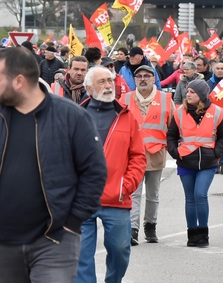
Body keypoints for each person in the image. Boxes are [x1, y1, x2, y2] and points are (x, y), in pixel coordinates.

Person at [0, 47, 107, 283]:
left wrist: (72, 222)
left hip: (55, 240)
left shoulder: (71, 117)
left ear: (18, 81)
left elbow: (95, 171)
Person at [77, 66, 146, 283]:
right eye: (102, 82)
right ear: (89, 88)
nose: (108, 86)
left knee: (120, 251)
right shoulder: (75, 116)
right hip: (81, 200)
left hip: (116, 198)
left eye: (110, 81)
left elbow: (138, 157)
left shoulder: (127, 117)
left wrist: (125, 186)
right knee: (80, 257)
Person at [167, 80, 223, 247]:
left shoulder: (216, 111)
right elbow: (171, 135)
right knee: (190, 198)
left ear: (202, 95)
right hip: (185, 159)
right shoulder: (180, 111)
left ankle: (203, 233)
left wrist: (216, 153)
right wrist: (175, 153)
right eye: (187, 91)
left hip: (208, 161)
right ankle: (192, 233)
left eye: (192, 92)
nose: (188, 94)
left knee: (200, 195)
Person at [123, 65, 175, 245]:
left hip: (155, 154)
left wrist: (173, 150)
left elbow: (173, 128)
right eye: (139, 76)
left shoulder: (166, 99)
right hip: (132, 157)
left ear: (154, 79)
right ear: (135, 79)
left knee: (153, 194)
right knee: (133, 194)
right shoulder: (125, 99)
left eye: (146, 76)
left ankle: (150, 226)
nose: (143, 79)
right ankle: (132, 230)